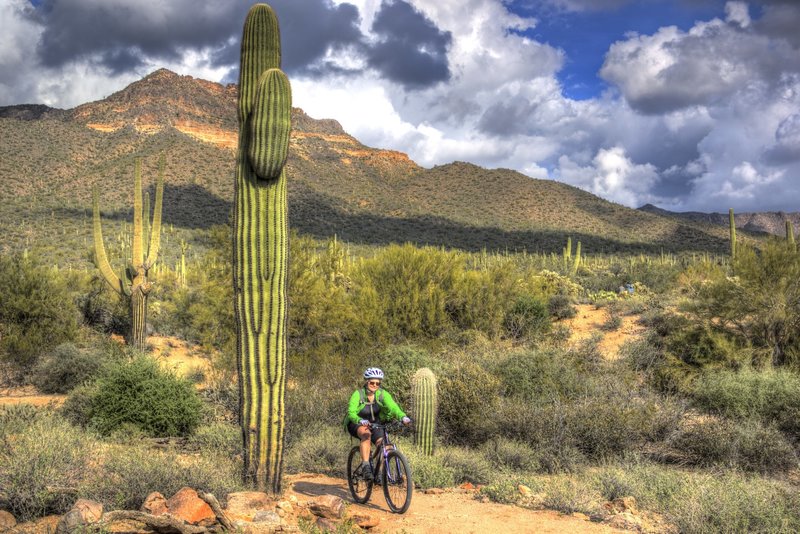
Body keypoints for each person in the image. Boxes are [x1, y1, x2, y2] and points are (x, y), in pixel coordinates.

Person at [345, 367, 411, 480]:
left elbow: (393, 407)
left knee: (385, 445)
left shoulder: (382, 394)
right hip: (356, 422)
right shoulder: (358, 394)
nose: (375, 385)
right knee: (366, 434)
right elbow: (351, 412)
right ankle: (366, 466)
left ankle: (379, 473)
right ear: (367, 381)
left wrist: (403, 417)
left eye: (377, 383)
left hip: (375, 423)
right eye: (372, 382)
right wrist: (360, 420)